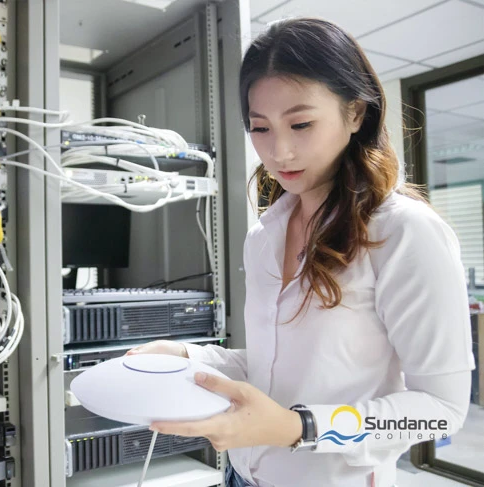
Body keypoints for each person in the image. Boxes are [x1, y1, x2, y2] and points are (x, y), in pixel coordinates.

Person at [126, 17, 476, 487]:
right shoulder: (264, 235)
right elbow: (279, 368)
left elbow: (439, 411)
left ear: (355, 113)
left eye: (301, 123)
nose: (280, 151)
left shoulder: (404, 232)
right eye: (260, 128)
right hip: (243, 475)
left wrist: (300, 428)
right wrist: (188, 356)